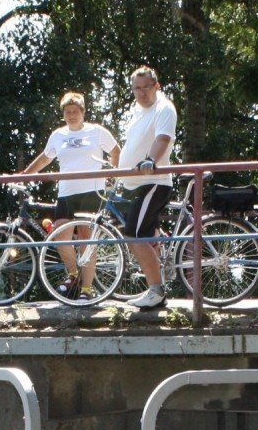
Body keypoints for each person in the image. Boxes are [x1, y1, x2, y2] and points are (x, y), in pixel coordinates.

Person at [20, 91, 118, 298]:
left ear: (83, 112)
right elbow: (46, 157)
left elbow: (116, 150)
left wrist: (112, 173)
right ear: (63, 114)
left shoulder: (97, 131)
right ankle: (73, 275)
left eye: (75, 111)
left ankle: (87, 289)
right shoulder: (57, 135)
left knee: (86, 241)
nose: (71, 115)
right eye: (67, 112)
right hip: (66, 192)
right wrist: (26, 174)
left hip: (91, 191)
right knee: (60, 237)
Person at [114, 66, 178, 310]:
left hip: (153, 182)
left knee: (134, 236)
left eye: (146, 87)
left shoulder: (164, 108)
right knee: (138, 231)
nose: (141, 93)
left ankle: (156, 290)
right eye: (136, 88)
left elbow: (163, 138)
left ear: (157, 86)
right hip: (134, 184)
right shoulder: (138, 112)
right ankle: (160, 252)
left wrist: (150, 160)